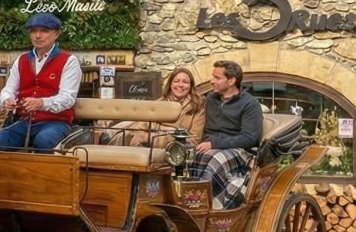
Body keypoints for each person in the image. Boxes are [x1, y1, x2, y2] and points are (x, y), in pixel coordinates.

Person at [0, 12, 82, 151]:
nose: (38, 35)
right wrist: (7, 99)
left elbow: (68, 97)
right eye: (33, 31)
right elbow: (9, 90)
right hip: (23, 121)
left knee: (44, 141)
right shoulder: (21, 60)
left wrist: (42, 103)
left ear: (56, 34)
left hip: (55, 122)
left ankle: (45, 172)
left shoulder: (69, 61)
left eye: (44, 31)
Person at [189, 60, 264, 209]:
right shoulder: (210, 99)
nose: (211, 81)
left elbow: (249, 138)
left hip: (239, 151)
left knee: (213, 159)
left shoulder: (250, 104)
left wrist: (214, 144)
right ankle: (186, 202)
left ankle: (205, 206)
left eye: (217, 78)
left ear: (231, 81)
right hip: (208, 146)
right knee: (182, 157)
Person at [100, 67, 206, 147]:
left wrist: (153, 137)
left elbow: (194, 140)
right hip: (147, 142)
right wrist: (166, 129)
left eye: (185, 82)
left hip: (174, 148)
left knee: (136, 135)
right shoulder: (159, 102)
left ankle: (110, 134)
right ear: (170, 84)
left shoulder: (197, 106)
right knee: (130, 132)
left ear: (191, 86)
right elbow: (141, 127)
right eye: (176, 81)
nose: (180, 85)